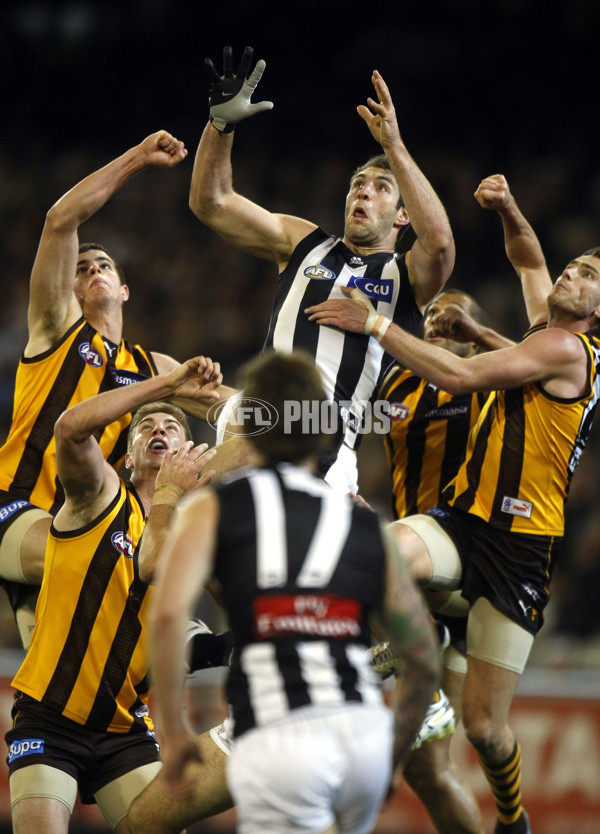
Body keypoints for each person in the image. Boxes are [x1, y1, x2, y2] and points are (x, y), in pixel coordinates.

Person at [305, 178, 600, 834]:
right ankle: (407, 646)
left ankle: (513, 817)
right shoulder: (541, 338)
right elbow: (528, 260)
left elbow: (463, 375)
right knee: (384, 551)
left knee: (488, 732)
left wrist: (376, 322)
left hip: (522, 548)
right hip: (462, 525)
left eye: (587, 276)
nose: (571, 274)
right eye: (574, 265)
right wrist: (508, 209)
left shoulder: (565, 348)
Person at [146, 349, 442, 834]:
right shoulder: (365, 525)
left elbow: (166, 615)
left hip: (282, 734)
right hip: (363, 734)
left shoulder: (215, 508)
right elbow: (424, 657)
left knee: (140, 822)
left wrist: (173, 731)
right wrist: (391, 756)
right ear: (323, 435)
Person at [0, 131, 235, 648]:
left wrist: (322, 436)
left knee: (61, 677)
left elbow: (245, 415)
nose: (93, 271)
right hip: (19, 508)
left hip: (94, 519)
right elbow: (61, 220)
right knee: (119, 553)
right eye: (81, 269)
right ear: (70, 288)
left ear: (124, 291)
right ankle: (202, 641)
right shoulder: (54, 330)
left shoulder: (153, 365)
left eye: (104, 265)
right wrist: (137, 159)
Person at [189, 45, 455, 494]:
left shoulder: (405, 275)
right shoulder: (305, 242)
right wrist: (220, 126)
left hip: (321, 441)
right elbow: (210, 202)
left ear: (404, 215)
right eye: (357, 185)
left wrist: (393, 146)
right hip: (255, 420)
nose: (363, 194)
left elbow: (441, 242)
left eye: (381, 188)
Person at [4, 355, 227, 833]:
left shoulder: (192, 536)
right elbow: (69, 429)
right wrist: (163, 385)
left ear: (190, 455)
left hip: (125, 731)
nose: (159, 429)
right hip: (50, 720)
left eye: (171, 425)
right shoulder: (101, 496)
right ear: (125, 458)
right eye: (146, 427)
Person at [376, 288, 514, 834]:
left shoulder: (494, 383)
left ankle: (394, 657)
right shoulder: (393, 384)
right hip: (417, 566)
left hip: (472, 567)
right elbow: (328, 416)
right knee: (429, 770)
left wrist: (482, 342)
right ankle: (413, 653)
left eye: (454, 313)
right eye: (431, 311)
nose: (437, 318)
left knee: (361, 557)